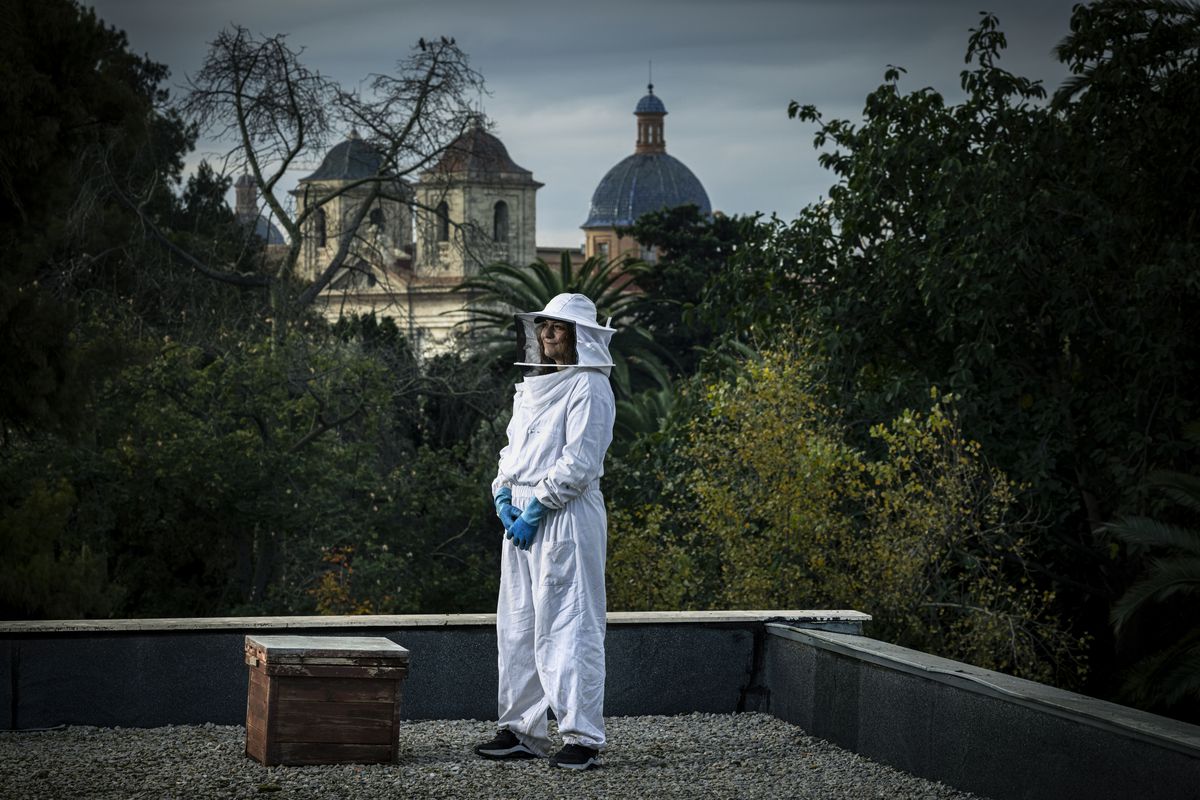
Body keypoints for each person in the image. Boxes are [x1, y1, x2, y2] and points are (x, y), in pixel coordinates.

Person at [473, 293, 617, 771]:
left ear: (581, 335)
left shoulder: (590, 387)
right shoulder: (532, 388)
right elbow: (511, 452)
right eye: (545, 326)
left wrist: (538, 505)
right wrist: (502, 495)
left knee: (569, 623)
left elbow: (580, 460)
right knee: (519, 624)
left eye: (559, 327)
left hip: (565, 516)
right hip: (521, 515)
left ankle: (582, 737)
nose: (548, 333)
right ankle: (521, 730)